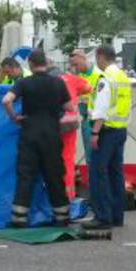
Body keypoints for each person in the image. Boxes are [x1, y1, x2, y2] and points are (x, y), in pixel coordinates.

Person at [1, 49, 72, 228]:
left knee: (26, 176)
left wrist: (14, 117)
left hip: (29, 134)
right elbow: (69, 106)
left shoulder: (24, 83)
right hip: (51, 134)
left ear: (31, 64)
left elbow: (6, 100)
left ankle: (19, 219)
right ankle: (62, 217)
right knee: (54, 175)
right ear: (46, 64)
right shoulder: (58, 83)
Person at [84, 45, 131, 230]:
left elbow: (101, 108)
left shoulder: (106, 78)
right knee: (115, 174)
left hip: (106, 131)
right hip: (120, 130)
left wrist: (95, 132)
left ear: (100, 56)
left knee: (98, 173)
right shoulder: (122, 76)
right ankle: (116, 216)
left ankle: (102, 217)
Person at [58, 69, 92, 200]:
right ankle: (69, 195)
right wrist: (77, 92)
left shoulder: (47, 79)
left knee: (51, 158)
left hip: (51, 123)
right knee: (67, 158)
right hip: (69, 123)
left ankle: (54, 194)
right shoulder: (72, 78)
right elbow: (88, 88)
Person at [69, 48, 101, 186]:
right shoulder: (78, 75)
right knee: (88, 155)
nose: (74, 68)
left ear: (83, 58)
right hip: (84, 118)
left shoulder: (98, 75)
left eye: (76, 64)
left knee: (94, 155)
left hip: (96, 119)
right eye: (72, 65)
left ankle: (97, 185)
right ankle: (93, 185)